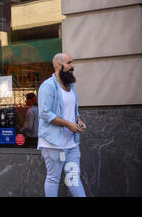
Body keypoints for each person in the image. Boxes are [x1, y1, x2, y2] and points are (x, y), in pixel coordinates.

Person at [38, 53, 87, 197]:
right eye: (69, 63)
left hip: (71, 144)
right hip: (53, 144)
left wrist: (78, 120)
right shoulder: (48, 86)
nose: (73, 66)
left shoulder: (70, 86)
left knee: (73, 179)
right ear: (59, 66)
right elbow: (45, 113)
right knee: (53, 179)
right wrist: (68, 124)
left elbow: (72, 110)